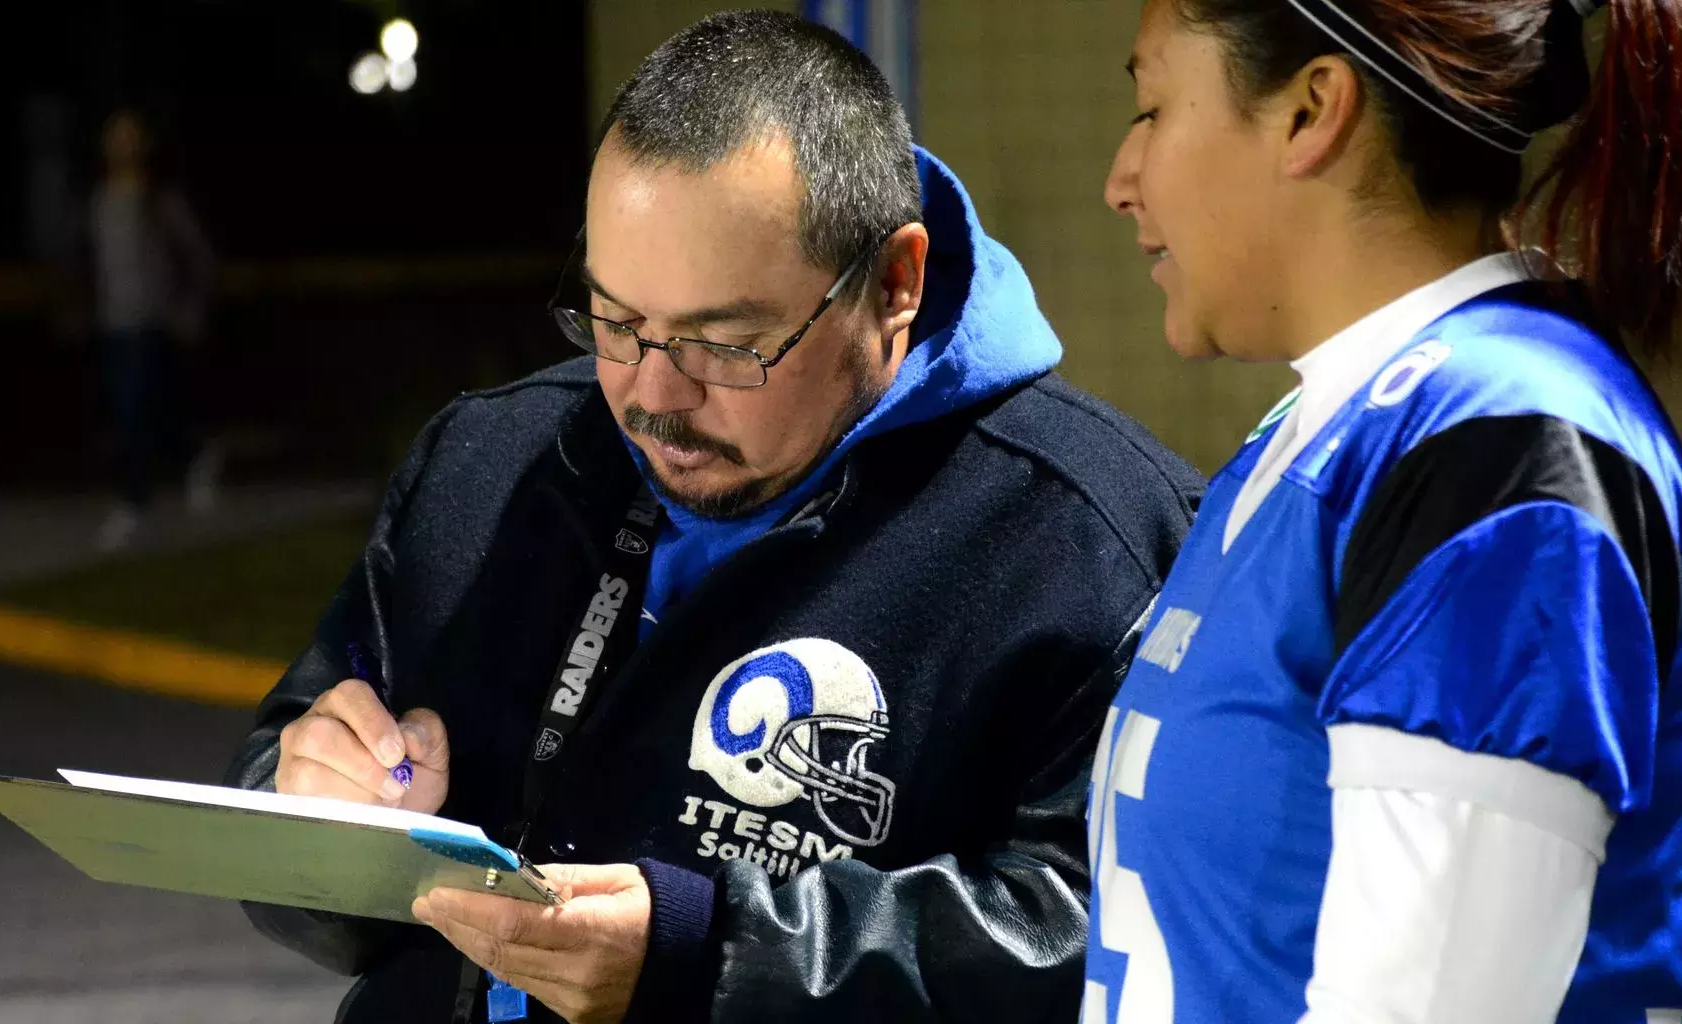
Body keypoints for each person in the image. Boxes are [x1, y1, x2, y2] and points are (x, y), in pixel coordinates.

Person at [226, 11, 1200, 1024]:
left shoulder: (1095, 539)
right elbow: (279, 805)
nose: (653, 393)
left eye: (725, 345)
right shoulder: (488, 462)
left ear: (894, 284)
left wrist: (708, 953)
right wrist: (315, 821)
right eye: (612, 320)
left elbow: (1112, 940)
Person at [1089, 0, 1682, 1021]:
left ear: (1312, 109)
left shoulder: (1500, 442)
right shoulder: (1338, 419)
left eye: (1151, 109)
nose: (1120, 180)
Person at [82, 108, 219, 551]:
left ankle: (134, 502)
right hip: (114, 325)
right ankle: (193, 458)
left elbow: (198, 257)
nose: (122, 145)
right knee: (141, 413)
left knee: (138, 413)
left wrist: (188, 312)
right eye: (114, 137)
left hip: (153, 324)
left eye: (129, 136)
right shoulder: (99, 201)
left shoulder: (160, 200)